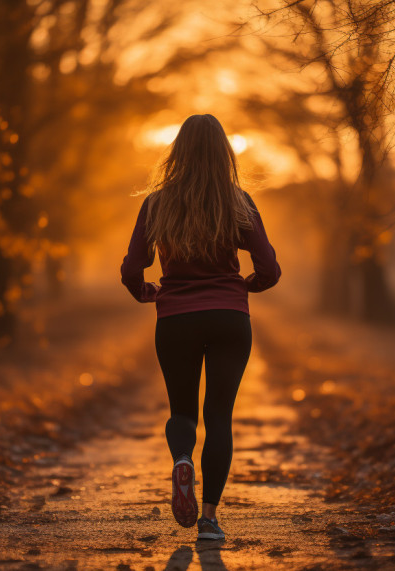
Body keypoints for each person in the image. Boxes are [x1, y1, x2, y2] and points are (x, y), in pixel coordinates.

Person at [120, 114, 281, 541]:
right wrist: (246, 286)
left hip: (176, 319)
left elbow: (132, 268)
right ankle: (208, 519)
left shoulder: (158, 203)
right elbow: (268, 267)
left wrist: (145, 292)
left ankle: (180, 460)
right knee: (220, 416)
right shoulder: (238, 201)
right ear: (224, 153)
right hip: (230, 317)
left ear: (178, 152)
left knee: (183, 411)